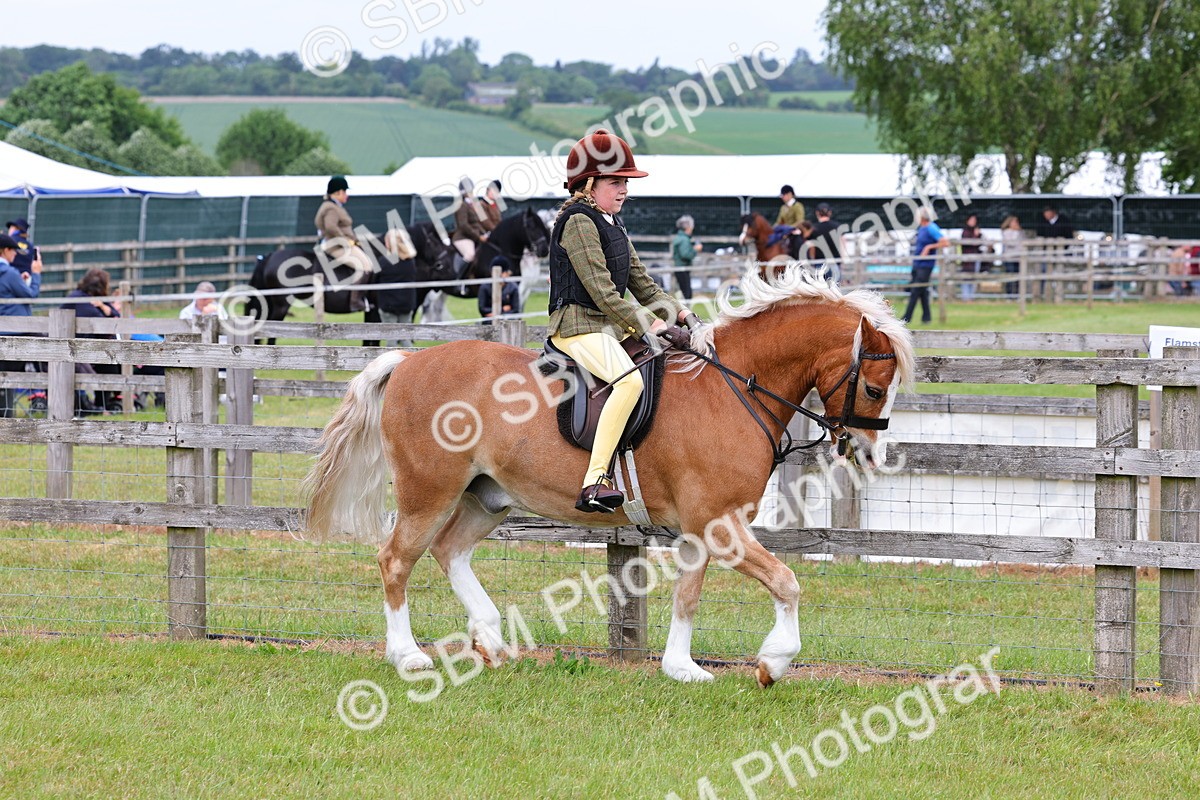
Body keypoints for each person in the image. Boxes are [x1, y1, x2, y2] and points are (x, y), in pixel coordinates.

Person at [548, 128, 694, 513]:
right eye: (616, 182)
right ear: (590, 185)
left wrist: (682, 314)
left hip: (607, 327)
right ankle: (595, 481)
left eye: (626, 183)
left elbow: (643, 284)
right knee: (629, 382)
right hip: (576, 326)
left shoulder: (612, 222)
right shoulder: (579, 222)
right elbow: (603, 293)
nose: (624, 190)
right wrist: (653, 325)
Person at [62, 268, 120, 412]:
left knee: (110, 361)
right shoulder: (79, 299)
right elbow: (100, 323)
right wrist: (106, 312)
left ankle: (103, 404)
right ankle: (101, 406)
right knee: (108, 362)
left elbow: (116, 314)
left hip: (88, 346)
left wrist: (104, 307)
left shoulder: (94, 299)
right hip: (72, 348)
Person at [315, 175, 371, 312]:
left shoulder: (335, 206)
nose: (346, 195)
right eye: (344, 192)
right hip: (335, 246)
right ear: (337, 192)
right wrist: (346, 240)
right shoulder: (331, 208)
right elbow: (331, 227)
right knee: (365, 266)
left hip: (341, 243)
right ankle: (355, 301)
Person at [0, 232, 42, 417]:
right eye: (13, 250)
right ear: (4, 251)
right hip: (15, 332)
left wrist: (20, 282)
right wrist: (36, 274)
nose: (15, 254)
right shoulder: (8, 273)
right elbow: (30, 296)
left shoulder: (10, 274)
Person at [901, 207, 951, 325]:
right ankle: (926, 317)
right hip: (918, 263)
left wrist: (929, 247)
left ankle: (906, 318)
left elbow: (945, 242)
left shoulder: (931, 227)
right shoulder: (921, 228)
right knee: (922, 291)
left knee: (915, 290)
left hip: (926, 265)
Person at [372, 245, 418, 347]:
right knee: (405, 338)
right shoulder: (411, 261)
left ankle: (392, 358)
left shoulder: (383, 261)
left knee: (391, 338)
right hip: (407, 304)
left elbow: (374, 280)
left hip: (388, 304)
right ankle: (412, 356)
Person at [452, 176, 487, 265]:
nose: (471, 192)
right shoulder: (462, 205)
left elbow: (476, 223)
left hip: (473, 237)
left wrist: (485, 234)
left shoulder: (471, 205)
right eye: (469, 190)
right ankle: (457, 273)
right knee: (470, 255)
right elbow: (463, 225)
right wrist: (478, 236)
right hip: (462, 237)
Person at [806, 202, 845, 282]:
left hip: (819, 264)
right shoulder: (837, 227)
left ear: (817, 213)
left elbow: (810, 246)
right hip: (835, 263)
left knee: (820, 288)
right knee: (835, 288)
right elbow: (843, 244)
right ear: (830, 213)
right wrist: (843, 260)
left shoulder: (814, 229)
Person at [478, 255, 519, 322]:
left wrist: (498, 315)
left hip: (508, 321)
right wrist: (502, 309)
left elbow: (515, 309)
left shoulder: (513, 287)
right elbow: (482, 309)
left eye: (503, 273)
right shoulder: (484, 287)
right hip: (489, 321)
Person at [670, 215, 702, 300]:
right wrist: (695, 250)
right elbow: (685, 254)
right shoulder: (684, 239)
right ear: (688, 227)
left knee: (684, 292)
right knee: (687, 294)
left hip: (680, 268)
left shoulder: (679, 237)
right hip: (682, 268)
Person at [958, 214, 987, 302]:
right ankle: (966, 297)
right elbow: (969, 244)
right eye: (971, 220)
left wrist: (978, 235)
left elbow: (980, 243)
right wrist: (976, 235)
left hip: (976, 258)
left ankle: (971, 297)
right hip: (967, 259)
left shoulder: (978, 232)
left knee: (974, 278)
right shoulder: (965, 232)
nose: (973, 222)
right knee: (966, 277)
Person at [775, 185, 806, 260]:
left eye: (783, 195)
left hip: (794, 231)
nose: (782, 197)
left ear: (789, 194)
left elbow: (800, 221)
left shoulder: (798, 206)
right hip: (784, 233)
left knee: (797, 244)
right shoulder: (783, 207)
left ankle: (800, 259)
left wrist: (788, 229)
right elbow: (779, 221)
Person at [1000, 215, 1023, 296]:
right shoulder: (1006, 232)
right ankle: (1010, 295)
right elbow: (1010, 243)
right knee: (1010, 276)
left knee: (1018, 277)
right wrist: (1016, 233)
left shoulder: (1020, 232)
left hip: (1018, 257)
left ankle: (1017, 294)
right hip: (1010, 258)